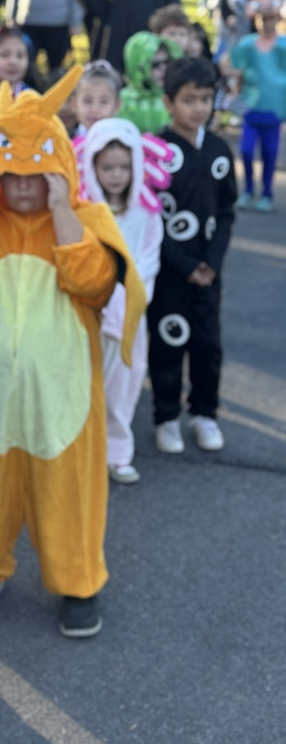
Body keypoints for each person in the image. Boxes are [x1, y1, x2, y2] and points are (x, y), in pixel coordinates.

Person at [0, 68, 146, 635]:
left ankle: (78, 580)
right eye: (11, 175)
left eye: (38, 175)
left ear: (60, 169)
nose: (24, 186)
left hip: (64, 397)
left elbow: (94, 284)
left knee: (68, 490)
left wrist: (62, 209)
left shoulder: (84, 221)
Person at [148, 57, 237, 455]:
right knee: (168, 344)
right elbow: (151, 214)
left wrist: (211, 264)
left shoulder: (219, 150)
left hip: (208, 271)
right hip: (170, 272)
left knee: (207, 344)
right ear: (169, 102)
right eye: (189, 99)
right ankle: (166, 416)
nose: (199, 107)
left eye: (205, 98)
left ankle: (204, 413)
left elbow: (226, 211)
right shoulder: (158, 151)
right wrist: (184, 265)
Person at [76, 118, 171, 482]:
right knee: (84, 381)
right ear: (92, 166)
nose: (115, 175)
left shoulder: (145, 212)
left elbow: (149, 257)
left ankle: (117, 451)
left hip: (129, 312)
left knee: (123, 382)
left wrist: (128, 294)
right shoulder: (83, 211)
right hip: (90, 311)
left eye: (123, 167)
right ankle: (82, 450)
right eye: (106, 167)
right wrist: (99, 291)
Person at [229, 0, 286, 212]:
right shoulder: (247, 44)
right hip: (251, 106)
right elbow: (235, 67)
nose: (266, 23)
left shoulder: (283, 45)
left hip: (274, 108)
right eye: (262, 18)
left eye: (270, 18)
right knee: (246, 150)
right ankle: (248, 190)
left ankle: (267, 193)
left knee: (270, 153)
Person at [118, 31, 184, 134]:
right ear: (137, 66)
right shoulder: (119, 103)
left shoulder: (176, 98)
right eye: (155, 65)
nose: (164, 68)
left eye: (167, 62)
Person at [70, 59, 122, 137]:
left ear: (116, 105)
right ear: (74, 104)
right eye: (87, 101)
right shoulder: (65, 141)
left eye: (104, 102)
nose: (95, 109)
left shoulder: (123, 143)